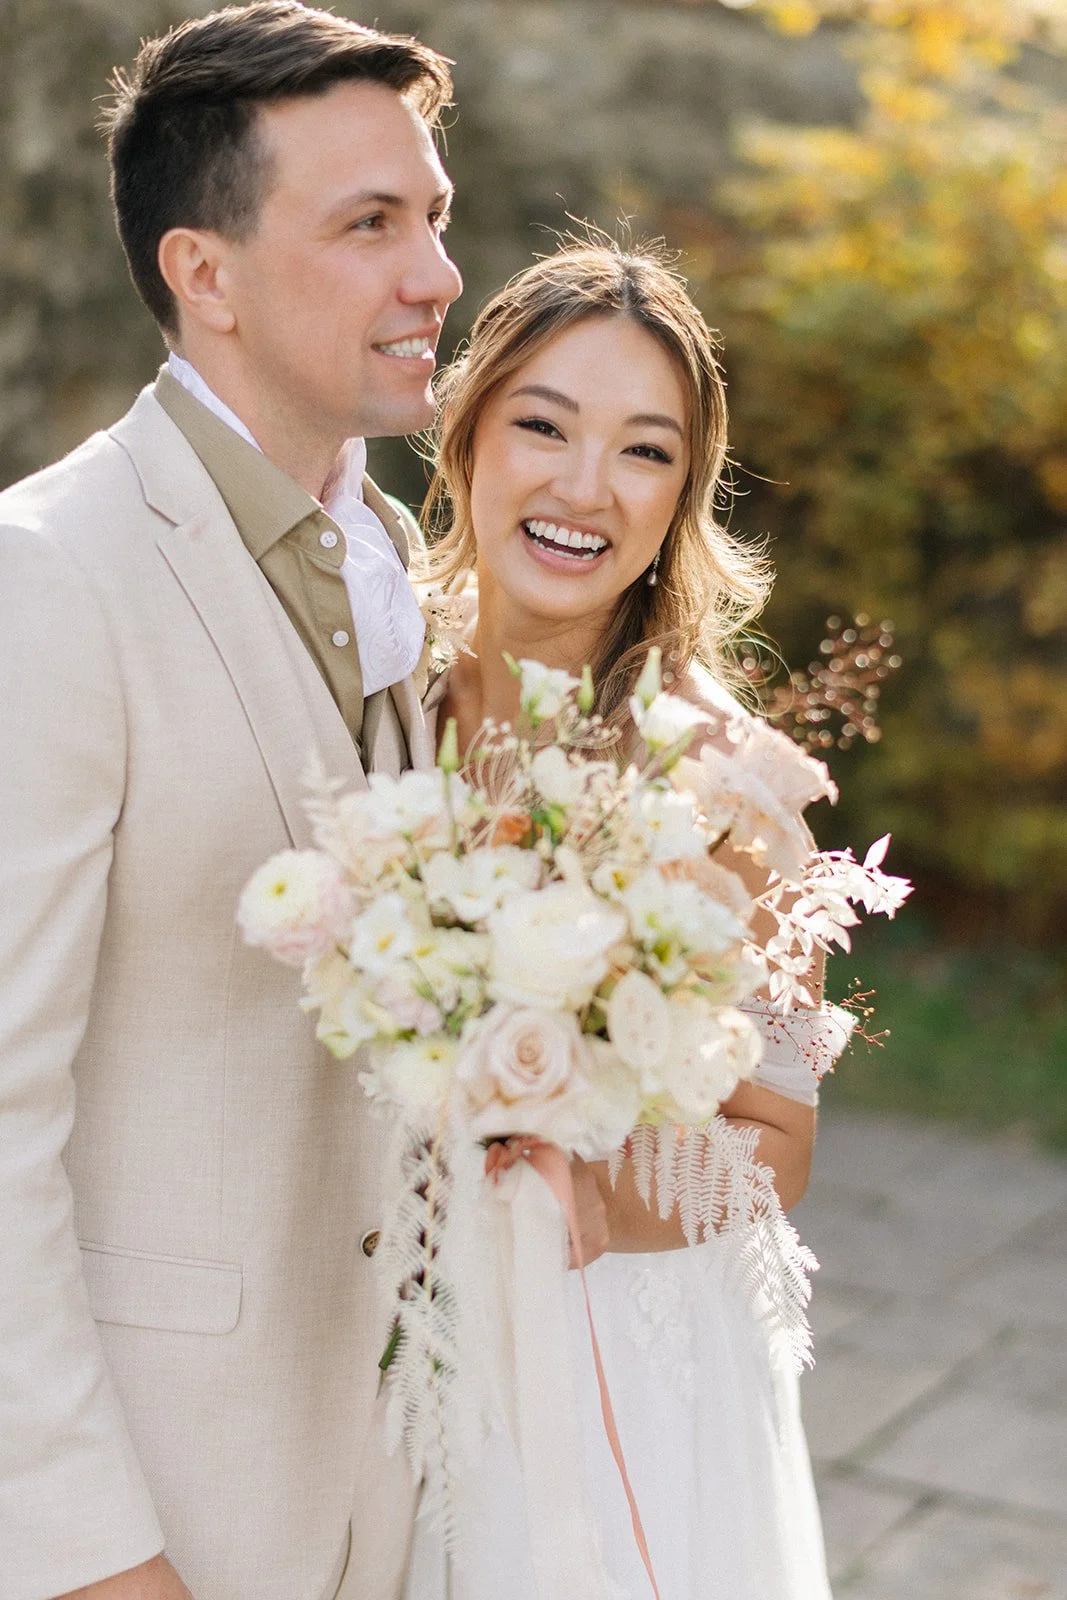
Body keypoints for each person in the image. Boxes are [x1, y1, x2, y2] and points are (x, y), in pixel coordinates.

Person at [0, 6, 463, 1599]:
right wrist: (85, 1554)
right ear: (205, 274)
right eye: (369, 225)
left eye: (435, 218)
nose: (436, 279)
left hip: (390, 1480)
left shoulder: (391, 556)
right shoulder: (45, 580)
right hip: (155, 1501)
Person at [403, 241, 842, 1599]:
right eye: (542, 424)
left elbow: (772, 1140)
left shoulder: (729, 787)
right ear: (467, 427)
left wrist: (590, 1201)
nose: (584, 488)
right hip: (345, 1333)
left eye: (644, 452)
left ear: (681, 499)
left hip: (611, 1366)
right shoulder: (351, 689)